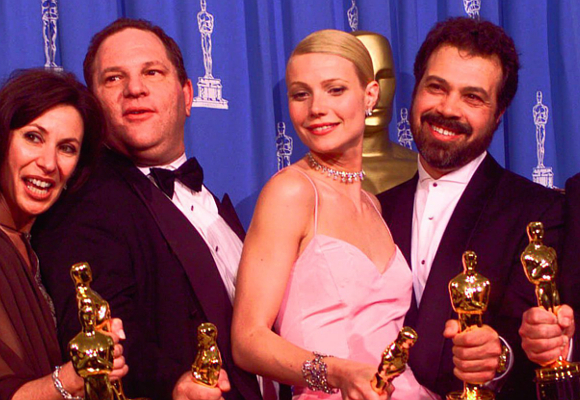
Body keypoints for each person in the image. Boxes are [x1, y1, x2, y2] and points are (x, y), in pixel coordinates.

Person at [31, 18, 261, 400]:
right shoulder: (84, 205)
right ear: (92, 107)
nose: (135, 89)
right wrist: (173, 384)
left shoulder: (210, 199)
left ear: (187, 95)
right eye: (113, 78)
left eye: (152, 72)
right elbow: (103, 335)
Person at [232, 29, 435, 400]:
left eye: (335, 90)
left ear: (370, 95)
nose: (316, 108)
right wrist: (338, 373)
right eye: (301, 94)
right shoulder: (291, 192)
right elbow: (248, 340)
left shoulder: (373, 204)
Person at [377, 17, 564, 399]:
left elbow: (537, 333)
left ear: (499, 113)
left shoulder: (540, 213)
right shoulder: (375, 209)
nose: (448, 109)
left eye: (473, 97)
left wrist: (498, 358)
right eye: (436, 87)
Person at [0, 69, 127, 400]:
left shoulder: (37, 247)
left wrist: (97, 357)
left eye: (67, 148)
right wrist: (71, 379)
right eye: (33, 137)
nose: (48, 163)